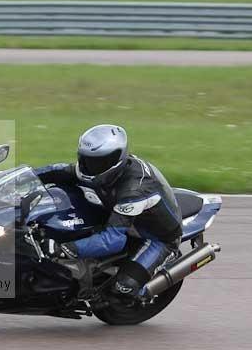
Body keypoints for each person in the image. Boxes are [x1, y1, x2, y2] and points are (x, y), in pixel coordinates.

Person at [35, 124, 182, 301]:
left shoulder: (134, 191)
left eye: (98, 162)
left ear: (116, 159)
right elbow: (58, 171)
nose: (89, 167)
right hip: (119, 214)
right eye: (86, 160)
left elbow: (113, 240)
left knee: (124, 288)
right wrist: (19, 178)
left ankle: (143, 294)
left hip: (155, 237)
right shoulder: (91, 170)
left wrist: (66, 248)